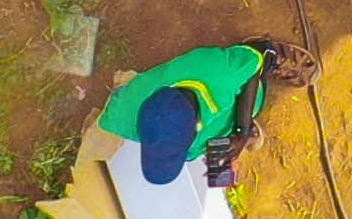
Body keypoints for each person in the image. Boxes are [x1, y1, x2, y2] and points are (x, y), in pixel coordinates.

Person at [95, 39, 298, 190]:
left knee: (257, 93)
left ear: (196, 129)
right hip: (210, 128)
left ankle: (271, 54)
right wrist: (224, 157)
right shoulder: (122, 114)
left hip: (239, 78)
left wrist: (242, 131)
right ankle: (235, 144)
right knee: (222, 167)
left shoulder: (219, 74)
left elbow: (253, 63)